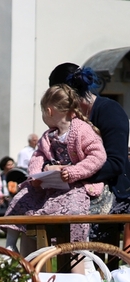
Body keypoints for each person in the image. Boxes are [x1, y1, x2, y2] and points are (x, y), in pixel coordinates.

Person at [2, 84, 106, 253]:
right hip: (49, 186)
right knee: (22, 197)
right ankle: (10, 244)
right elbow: (38, 156)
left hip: (75, 185)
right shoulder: (48, 136)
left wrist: (74, 172)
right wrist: (35, 176)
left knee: (74, 208)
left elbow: (98, 155)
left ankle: (80, 250)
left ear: (48, 111)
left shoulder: (82, 130)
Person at [49, 63, 130, 247]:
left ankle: (80, 260)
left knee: (66, 213)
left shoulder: (109, 111)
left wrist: (73, 173)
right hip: (79, 188)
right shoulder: (69, 117)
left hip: (114, 191)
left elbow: (115, 163)